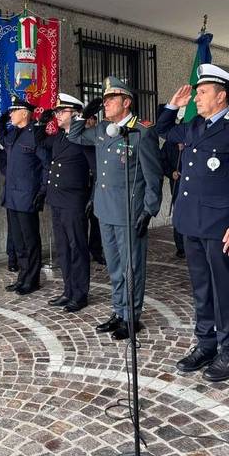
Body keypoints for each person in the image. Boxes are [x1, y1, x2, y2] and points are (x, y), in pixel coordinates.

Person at [157, 64, 229, 382]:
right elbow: (162, 130)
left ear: (222, 95)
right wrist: (172, 106)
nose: (196, 98)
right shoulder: (193, 126)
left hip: (222, 226)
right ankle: (206, 344)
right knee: (201, 289)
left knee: (225, 289)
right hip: (191, 222)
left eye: (202, 93)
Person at [68, 76, 162, 341]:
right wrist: (85, 112)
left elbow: (153, 176)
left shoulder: (140, 132)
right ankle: (119, 311)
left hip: (129, 212)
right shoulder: (102, 130)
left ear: (126, 102)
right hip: (105, 210)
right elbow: (74, 135)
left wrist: (149, 210)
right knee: (114, 267)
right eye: (105, 100)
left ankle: (131, 317)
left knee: (132, 268)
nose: (106, 104)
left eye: (111, 99)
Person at [35, 94, 95, 312]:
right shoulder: (59, 138)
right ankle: (69, 290)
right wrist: (43, 122)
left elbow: (96, 170)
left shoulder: (84, 138)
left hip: (74, 200)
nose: (57, 115)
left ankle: (80, 294)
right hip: (57, 199)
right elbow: (39, 143)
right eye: (57, 112)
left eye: (62, 111)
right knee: (63, 249)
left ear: (76, 113)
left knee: (77, 247)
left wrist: (93, 198)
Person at [0, 96, 49, 295]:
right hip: (11, 197)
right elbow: (0, 136)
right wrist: (2, 118)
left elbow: (46, 165)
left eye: (13, 111)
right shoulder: (13, 134)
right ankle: (23, 277)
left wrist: (42, 191)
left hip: (27, 197)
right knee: (18, 242)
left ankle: (32, 280)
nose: (11, 114)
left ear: (25, 113)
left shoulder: (35, 134)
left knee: (30, 241)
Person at [159, 113, 185, 259]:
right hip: (177, 183)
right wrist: (171, 172)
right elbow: (162, 161)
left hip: (194, 186)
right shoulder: (170, 143)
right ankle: (180, 246)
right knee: (179, 214)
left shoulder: (198, 142)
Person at [84, 116, 106, 266]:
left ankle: (96, 250)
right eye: (88, 120)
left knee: (96, 219)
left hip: (96, 184)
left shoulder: (98, 138)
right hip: (82, 185)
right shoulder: (81, 139)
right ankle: (84, 250)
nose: (91, 122)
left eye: (93, 119)